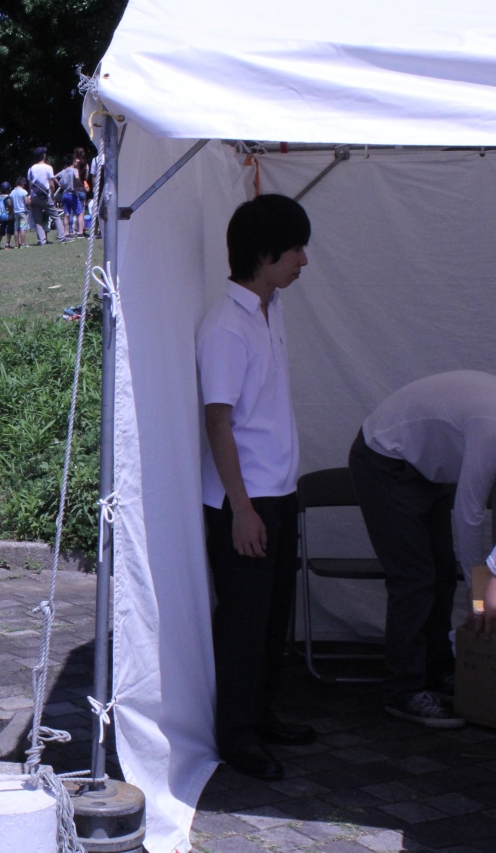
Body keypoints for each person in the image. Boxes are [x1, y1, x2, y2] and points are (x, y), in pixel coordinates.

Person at [197, 194, 314, 780]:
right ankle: (237, 735)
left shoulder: (270, 309)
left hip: (278, 490)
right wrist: (242, 510)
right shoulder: (225, 326)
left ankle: (261, 714)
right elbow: (218, 422)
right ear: (265, 254)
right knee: (244, 623)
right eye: (296, 249)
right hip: (243, 498)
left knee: (272, 619)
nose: (303, 261)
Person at [350, 371, 496, 729]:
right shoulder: (491, 426)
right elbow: (470, 515)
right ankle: (403, 689)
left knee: (443, 573)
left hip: (429, 469)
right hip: (386, 460)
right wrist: (480, 596)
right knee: (414, 578)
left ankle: (436, 672)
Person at [27, 148, 55, 246]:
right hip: (46, 196)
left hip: (35, 196)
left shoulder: (31, 169)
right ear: (43, 155)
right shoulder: (48, 167)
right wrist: (52, 195)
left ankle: (42, 240)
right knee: (55, 216)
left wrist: (30, 196)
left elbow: (30, 185)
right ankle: (61, 236)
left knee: (38, 221)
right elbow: (51, 184)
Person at [9, 179, 29, 248]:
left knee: (16, 228)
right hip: (23, 211)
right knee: (23, 228)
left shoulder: (12, 192)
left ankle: (16, 244)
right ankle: (23, 244)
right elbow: (27, 202)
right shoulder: (24, 192)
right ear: (23, 183)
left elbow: (11, 204)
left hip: (15, 212)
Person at [0, 182, 16, 249]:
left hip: (1, 216)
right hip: (8, 216)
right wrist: (10, 211)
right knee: (9, 231)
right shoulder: (8, 198)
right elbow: (10, 205)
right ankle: (7, 244)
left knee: (1, 231)